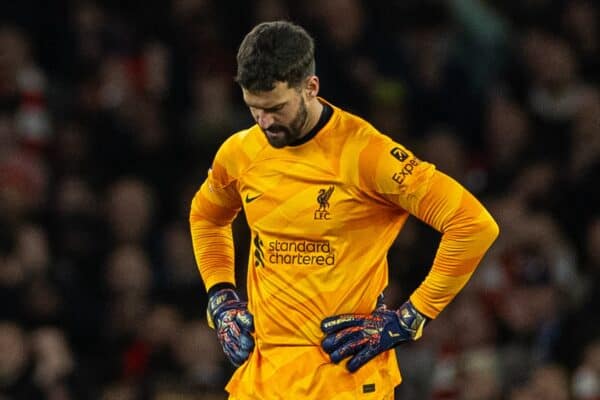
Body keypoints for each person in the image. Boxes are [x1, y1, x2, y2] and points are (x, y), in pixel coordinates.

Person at [189, 20, 499, 400]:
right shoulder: (239, 152)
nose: (264, 122)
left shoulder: (366, 153)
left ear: (311, 87)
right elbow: (207, 215)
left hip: (346, 382)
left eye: (276, 108)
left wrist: (411, 318)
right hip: (262, 382)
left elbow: (473, 224)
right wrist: (220, 297)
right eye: (254, 109)